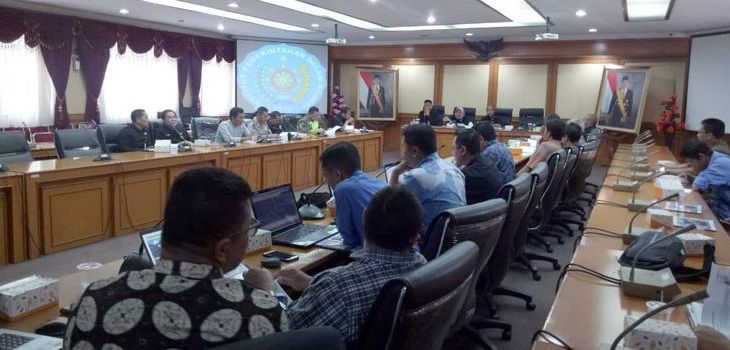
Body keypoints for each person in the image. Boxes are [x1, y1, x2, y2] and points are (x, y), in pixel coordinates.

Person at [64, 167, 287, 349]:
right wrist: (265, 294)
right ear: (222, 249)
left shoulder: (94, 299)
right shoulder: (261, 312)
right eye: (249, 230)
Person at [277, 185, 427, 346]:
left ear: (364, 217)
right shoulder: (424, 265)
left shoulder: (337, 285)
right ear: (415, 236)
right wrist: (314, 283)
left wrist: (266, 291)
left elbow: (284, 334)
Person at [390, 124, 466, 240]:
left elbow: (391, 206)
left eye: (403, 147)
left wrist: (395, 172)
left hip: (432, 245)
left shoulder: (413, 177)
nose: (403, 153)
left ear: (414, 151)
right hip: (458, 240)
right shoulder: (454, 169)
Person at [319, 142, 387, 250]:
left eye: (325, 176)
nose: (326, 181)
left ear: (337, 174)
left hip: (379, 258)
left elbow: (349, 238)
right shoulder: (380, 183)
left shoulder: (343, 189)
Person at [681, 139, 730, 220]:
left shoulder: (718, 164)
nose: (691, 166)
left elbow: (696, 187)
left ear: (701, 157)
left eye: (691, 162)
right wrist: (691, 178)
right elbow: (703, 178)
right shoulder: (714, 158)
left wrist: (694, 180)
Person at [453, 128, 505, 204]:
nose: (452, 153)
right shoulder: (488, 162)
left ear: (462, 150)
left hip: (482, 214)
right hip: (497, 212)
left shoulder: (466, 176)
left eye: (453, 148)